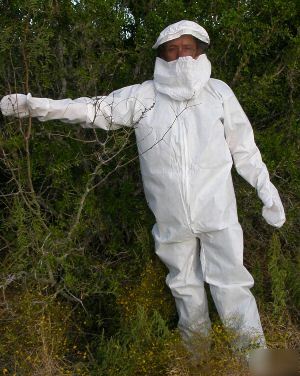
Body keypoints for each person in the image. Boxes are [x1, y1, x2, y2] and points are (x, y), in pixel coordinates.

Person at [0, 20, 285, 353]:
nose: (181, 57)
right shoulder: (144, 96)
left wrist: (266, 190)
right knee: (184, 287)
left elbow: (244, 148)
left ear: (199, 51)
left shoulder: (218, 93)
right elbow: (95, 109)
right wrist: (38, 107)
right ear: (162, 55)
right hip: (171, 218)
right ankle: (198, 365)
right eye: (173, 50)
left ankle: (254, 364)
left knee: (232, 283)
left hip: (217, 211)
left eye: (188, 49)